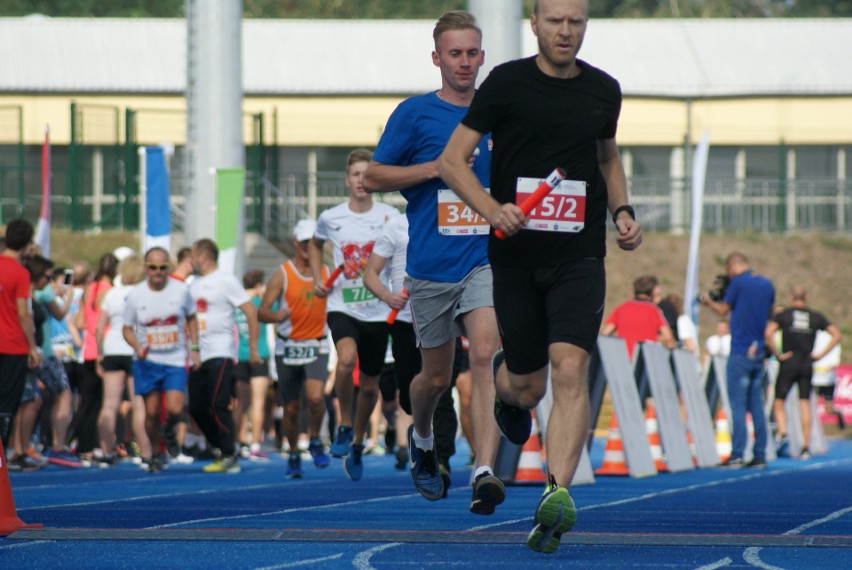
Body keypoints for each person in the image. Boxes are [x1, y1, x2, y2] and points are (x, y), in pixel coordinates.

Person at [437, 0, 642, 552]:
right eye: (555, 21)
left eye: (576, 22)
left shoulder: (603, 89)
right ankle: (507, 387)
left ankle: (556, 495)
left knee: (571, 364)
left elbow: (606, 159)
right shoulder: (506, 84)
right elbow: (453, 161)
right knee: (529, 388)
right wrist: (490, 208)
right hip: (516, 257)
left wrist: (621, 212)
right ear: (535, 23)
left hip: (579, 255)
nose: (566, 31)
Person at [363, 10, 504, 513]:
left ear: (482, 57)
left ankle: (484, 470)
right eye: (455, 54)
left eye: (472, 53)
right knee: (435, 379)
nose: (464, 63)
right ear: (437, 58)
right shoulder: (415, 114)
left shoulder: (497, 112)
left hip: (483, 259)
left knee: (485, 355)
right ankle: (421, 436)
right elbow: (373, 176)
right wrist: (436, 168)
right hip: (430, 267)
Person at [309, 149, 399, 481]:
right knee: (346, 361)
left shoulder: (390, 216)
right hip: (342, 304)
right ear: (347, 180)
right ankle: (345, 424)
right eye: (355, 174)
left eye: (366, 174)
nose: (361, 180)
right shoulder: (331, 217)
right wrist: (320, 276)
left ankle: (359, 441)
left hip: (377, 308)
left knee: (371, 384)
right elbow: (315, 245)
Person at [261, 219, 333, 478]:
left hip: (318, 343)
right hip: (288, 346)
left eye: (313, 242)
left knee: (315, 398)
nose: (308, 247)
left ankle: (314, 439)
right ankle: (293, 452)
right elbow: (262, 311)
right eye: (304, 242)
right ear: (295, 243)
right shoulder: (283, 273)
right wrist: (275, 315)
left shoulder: (327, 273)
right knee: (291, 406)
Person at [188, 238, 262, 474]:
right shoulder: (193, 283)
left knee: (219, 402)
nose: (191, 260)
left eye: (193, 255)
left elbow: (250, 311)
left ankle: (229, 454)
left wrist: (252, 347)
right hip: (199, 354)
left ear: (204, 256)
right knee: (197, 406)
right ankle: (221, 446)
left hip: (221, 351)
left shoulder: (225, 281)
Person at [123, 247, 199, 472]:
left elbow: (193, 318)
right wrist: (137, 346)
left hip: (175, 359)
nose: (157, 272)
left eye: (162, 267)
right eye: (153, 267)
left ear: (169, 268)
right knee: (152, 412)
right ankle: (156, 451)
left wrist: (194, 348)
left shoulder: (181, 290)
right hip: (148, 361)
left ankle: (169, 430)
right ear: (146, 267)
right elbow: (126, 328)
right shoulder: (136, 294)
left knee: (175, 409)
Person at [701, 252, 775, 469]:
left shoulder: (739, 283)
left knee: (737, 405)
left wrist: (707, 301)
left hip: (740, 349)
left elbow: (723, 309)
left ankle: (738, 453)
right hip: (758, 350)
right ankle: (760, 454)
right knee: (757, 405)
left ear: (732, 266)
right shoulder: (766, 284)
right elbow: (770, 313)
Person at [764, 287, 841, 459]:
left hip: (788, 361)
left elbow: (768, 332)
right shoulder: (815, 316)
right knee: (804, 403)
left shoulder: (784, 315)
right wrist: (819, 355)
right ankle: (805, 446)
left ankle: (783, 432)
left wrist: (777, 354)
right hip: (807, 362)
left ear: (791, 297)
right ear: (806, 298)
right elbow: (836, 334)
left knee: (778, 401)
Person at [95, 253, 148, 467]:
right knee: (138, 404)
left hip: (112, 347)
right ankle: (145, 450)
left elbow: (99, 328)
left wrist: (100, 353)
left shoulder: (111, 294)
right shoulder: (143, 294)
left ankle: (106, 451)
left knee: (109, 404)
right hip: (134, 348)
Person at [70, 251, 118, 460]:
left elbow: (80, 322)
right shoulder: (111, 292)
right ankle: (97, 445)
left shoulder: (89, 289)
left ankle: (82, 445)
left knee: (86, 402)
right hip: (103, 350)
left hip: (86, 351)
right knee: (101, 403)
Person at [0, 219, 41, 453]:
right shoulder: (20, 272)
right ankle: (2, 456)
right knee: (7, 404)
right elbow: (24, 313)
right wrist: (32, 347)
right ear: (27, 244)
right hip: (13, 345)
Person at [233, 269, 273, 461]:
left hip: (240, 355)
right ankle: (255, 445)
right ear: (258, 286)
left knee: (240, 404)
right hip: (259, 355)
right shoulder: (260, 304)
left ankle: (238, 443)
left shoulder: (237, 306)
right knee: (258, 403)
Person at [600, 275, 676, 358]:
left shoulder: (621, 308)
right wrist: (652, 339)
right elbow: (668, 338)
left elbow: (605, 334)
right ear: (653, 292)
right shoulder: (655, 311)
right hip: (645, 360)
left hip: (622, 359)